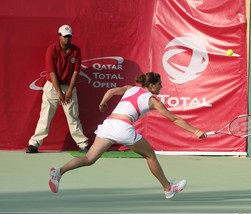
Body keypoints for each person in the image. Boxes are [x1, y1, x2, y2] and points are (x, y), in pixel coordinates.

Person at [49, 72, 207, 199]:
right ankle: (168, 188)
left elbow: (111, 91)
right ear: (151, 86)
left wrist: (103, 103)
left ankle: (59, 171)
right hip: (123, 128)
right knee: (150, 155)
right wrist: (195, 131)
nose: (161, 87)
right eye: (159, 84)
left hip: (108, 125)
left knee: (89, 159)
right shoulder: (153, 100)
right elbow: (174, 118)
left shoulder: (130, 88)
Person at [26, 24, 89, 153]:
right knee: (45, 115)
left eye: (69, 36)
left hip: (69, 87)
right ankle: (34, 144)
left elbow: (76, 72)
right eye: (65, 36)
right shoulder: (51, 50)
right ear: (59, 36)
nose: (67, 39)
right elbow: (51, 72)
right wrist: (59, 92)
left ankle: (82, 144)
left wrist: (70, 90)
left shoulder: (76, 51)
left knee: (73, 116)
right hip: (52, 87)